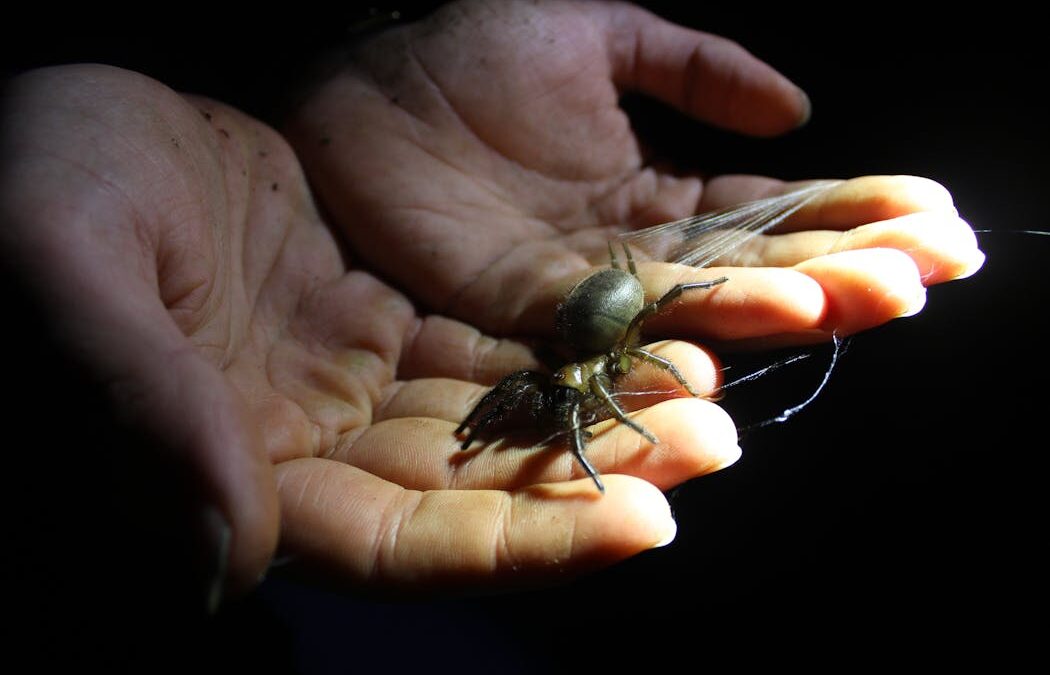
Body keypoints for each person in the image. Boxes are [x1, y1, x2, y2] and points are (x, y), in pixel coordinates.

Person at [0, 0, 983, 618]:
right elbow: (562, 380)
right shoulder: (555, 363)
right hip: (582, 324)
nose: (578, 408)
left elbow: (595, 364)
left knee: (602, 386)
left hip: (591, 320)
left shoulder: (581, 354)